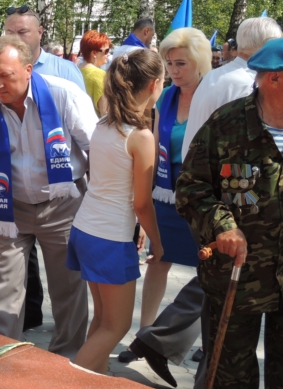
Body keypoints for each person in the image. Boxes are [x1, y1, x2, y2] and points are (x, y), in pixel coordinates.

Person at [0, 35, 97, 358]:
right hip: (8, 208)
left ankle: (65, 361)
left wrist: (102, 207)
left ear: (28, 70)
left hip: (63, 204)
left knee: (67, 288)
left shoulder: (62, 95)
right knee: (4, 292)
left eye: (5, 76)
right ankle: (1, 360)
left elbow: (98, 151)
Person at [176, 37, 283, 389]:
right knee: (230, 379)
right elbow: (191, 188)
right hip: (235, 277)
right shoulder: (226, 125)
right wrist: (222, 225)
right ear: (273, 78)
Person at [116, 28, 211, 387]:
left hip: (199, 197)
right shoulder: (165, 98)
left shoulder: (211, 95)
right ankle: (145, 335)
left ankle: (200, 340)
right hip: (164, 192)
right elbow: (151, 144)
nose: (174, 70)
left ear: (199, 62)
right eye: (169, 63)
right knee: (158, 261)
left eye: (181, 62)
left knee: (207, 269)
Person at [67, 48, 164, 373]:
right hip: (109, 238)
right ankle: (65, 381)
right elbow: (141, 203)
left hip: (87, 230)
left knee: (103, 319)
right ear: (154, 84)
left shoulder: (105, 125)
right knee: (116, 326)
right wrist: (157, 243)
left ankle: (91, 378)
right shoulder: (140, 136)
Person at [2, 4, 86, 331]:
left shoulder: (66, 75)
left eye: (22, 31)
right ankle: (19, 332)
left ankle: (69, 354)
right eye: (9, 31)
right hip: (13, 195)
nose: (15, 37)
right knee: (10, 283)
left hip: (61, 196)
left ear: (39, 33)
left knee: (66, 285)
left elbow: (86, 136)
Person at [183, 17, 283, 159]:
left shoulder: (212, 76)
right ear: (269, 45)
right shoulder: (250, 85)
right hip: (221, 175)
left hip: (197, 171)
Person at [78, 30, 111, 116]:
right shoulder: (100, 75)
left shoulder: (76, 70)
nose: (109, 54)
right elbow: (105, 113)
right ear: (94, 53)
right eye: (106, 51)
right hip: (95, 126)